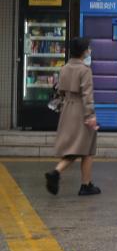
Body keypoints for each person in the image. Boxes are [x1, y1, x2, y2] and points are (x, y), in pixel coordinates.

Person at [44, 37, 100, 196]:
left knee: (75, 147)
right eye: (88, 48)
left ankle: (60, 173)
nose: (89, 51)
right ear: (84, 51)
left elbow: (59, 91)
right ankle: (84, 184)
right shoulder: (85, 70)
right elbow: (87, 95)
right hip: (81, 110)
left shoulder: (64, 68)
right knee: (87, 149)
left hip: (67, 109)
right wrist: (91, 115)